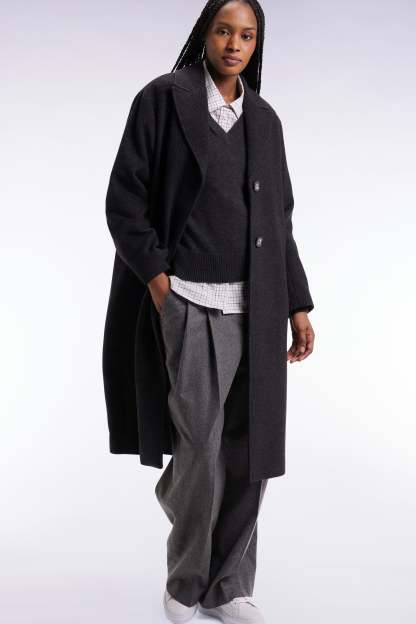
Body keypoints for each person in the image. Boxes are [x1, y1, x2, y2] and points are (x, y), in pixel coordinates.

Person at [103, 1, 315, 622]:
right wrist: (159, 283)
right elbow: (124, 200)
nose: (234, 44)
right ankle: (187, 577)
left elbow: (280, 222)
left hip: (259, 306)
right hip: (189, 301)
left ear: (257, 44)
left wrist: (298, 303)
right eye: (224, 30)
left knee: (251, 453)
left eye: (247, 35)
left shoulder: (264, 121)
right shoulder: (162, 100)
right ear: (205, 33)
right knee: (199, 444)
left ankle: (229, 586)